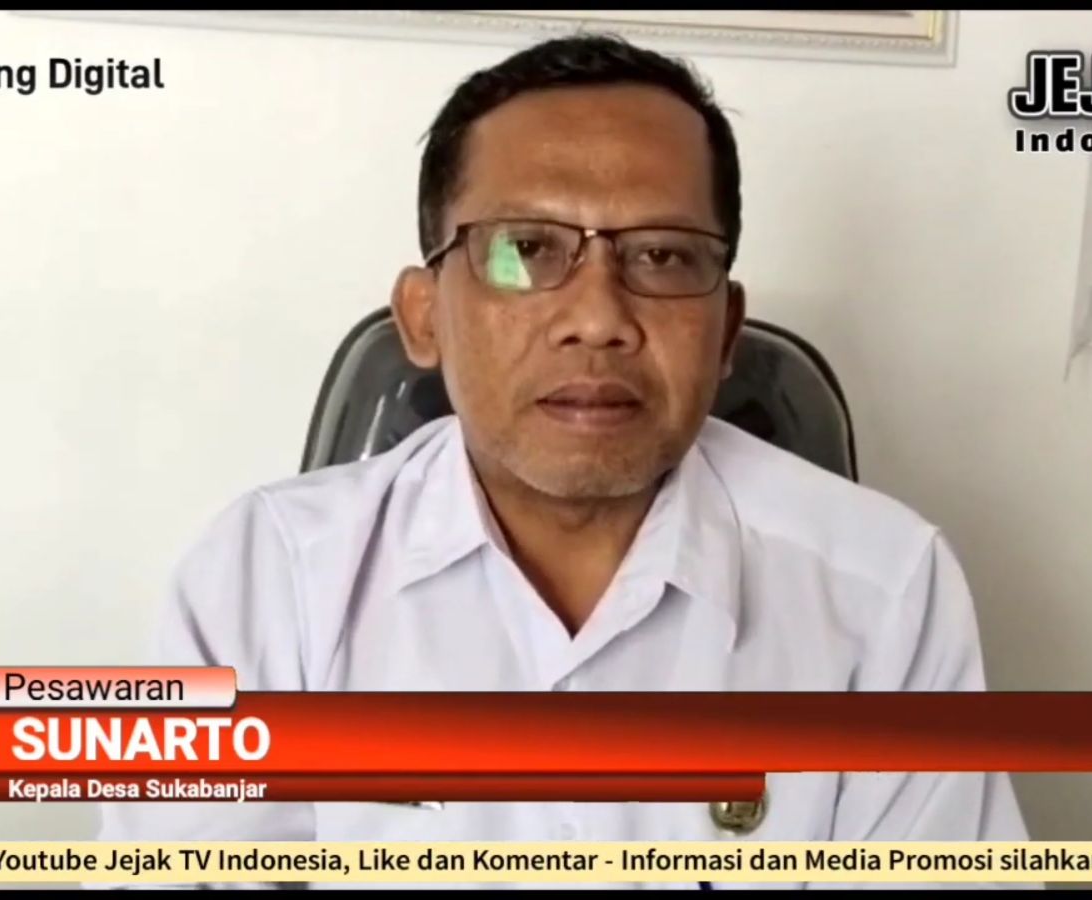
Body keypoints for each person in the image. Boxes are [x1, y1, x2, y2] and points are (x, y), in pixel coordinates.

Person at [96, 33, 1031, 889]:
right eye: (527, 249)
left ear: (725, 332)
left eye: (662, 257)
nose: (598, 319)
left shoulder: (883, 587)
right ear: (424, 316)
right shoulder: (269, 577)